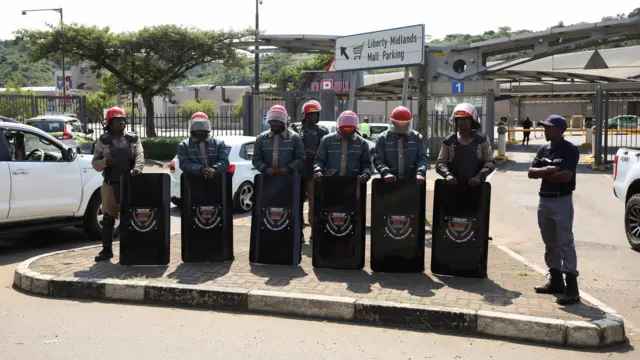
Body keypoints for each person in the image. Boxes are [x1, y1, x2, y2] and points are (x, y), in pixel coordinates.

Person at [528, 115, 581, 306]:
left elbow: (565, 176)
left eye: (549, 127)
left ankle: (572, 288)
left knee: (566, 242)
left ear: (560, 130)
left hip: (562, 201)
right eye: (544, 127)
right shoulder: (543, 149)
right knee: (549, 242)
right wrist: (551, 169)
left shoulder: (570, 150)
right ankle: (556, 281)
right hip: (545, 201)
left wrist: (544, 172)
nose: (545, 130)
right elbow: (530, 173)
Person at [91, 106, 144, 262]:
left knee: (132, 217)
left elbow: (140, 156)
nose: (121, 123)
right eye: (117, 120)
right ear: (109, 122)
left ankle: (131, 249)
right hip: (110, 184)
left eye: (123, 120)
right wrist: (105, 162)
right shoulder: (103, 141)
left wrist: (137, 169)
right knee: (108, 218)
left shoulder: (133, 139)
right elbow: (95, 163)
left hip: (130, 183)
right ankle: (106, 250)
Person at [252, 105, 306, 240]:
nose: (274, 124)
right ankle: (269, 237)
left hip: (289, 182)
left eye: (277, 121)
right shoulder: (261, 138)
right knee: (269, 211)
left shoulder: (294, 138)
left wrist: (288, 169)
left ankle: (297, 236)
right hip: (268, 182)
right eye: (272, 121)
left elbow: (301, 158)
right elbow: (256, 159)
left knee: (293, 210)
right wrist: (265, 169)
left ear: (283, 122)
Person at [435, 103, 495, 186]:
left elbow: (490, 162)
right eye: (459, 119)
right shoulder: (449, 141)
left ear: (471, 120)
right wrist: (447, 174)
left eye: (465, 119)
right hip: (453, 186)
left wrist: (479, 177)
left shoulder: (482, 140)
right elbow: (440, 163)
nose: (462, 122)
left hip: (476, 186)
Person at [374, 106, 428, 184]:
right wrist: (385, 173)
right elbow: (378, 159)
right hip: (389, 183)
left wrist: (420, 172)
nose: (402, 126)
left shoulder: (416, 137)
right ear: (393, 122)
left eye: (404, 123)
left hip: (412, 182)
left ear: (409, 123)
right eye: (399, 123)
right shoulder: (383, 138)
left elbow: (422, 158)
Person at [314, 110, 372, 183]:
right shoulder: (327, 140)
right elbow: (319, 160)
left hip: (353, 183)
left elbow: (367, 164)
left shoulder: (362, 143)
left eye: (350, 131)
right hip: (331, 182)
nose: (347, 133)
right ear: (339, 128)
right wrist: (318, 170)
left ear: (355, 129)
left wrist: (366, 173)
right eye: (344, 131)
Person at [298, 100, 329, 237]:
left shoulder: (322, 130)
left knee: (313, 200)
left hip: (314, 171)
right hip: (299, 170)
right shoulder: (296, 130)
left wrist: (316, 154)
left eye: (316, 115)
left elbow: (325, 149)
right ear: (304, 115)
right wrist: (306, 152)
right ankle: (299, 228)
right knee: (297, 200)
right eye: (310, 115)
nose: (314, 117)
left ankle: (313, 228)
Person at [177, 112, 229, 178]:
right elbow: (184, 164)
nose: (199, 129)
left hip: (216, 182)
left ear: (207, 127)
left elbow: (224, 161)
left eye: (202, 126)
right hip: (193, 182)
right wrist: (201, 170)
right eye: (196, 126)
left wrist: (214, 170)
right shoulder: (184, 145)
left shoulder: (219, 144)